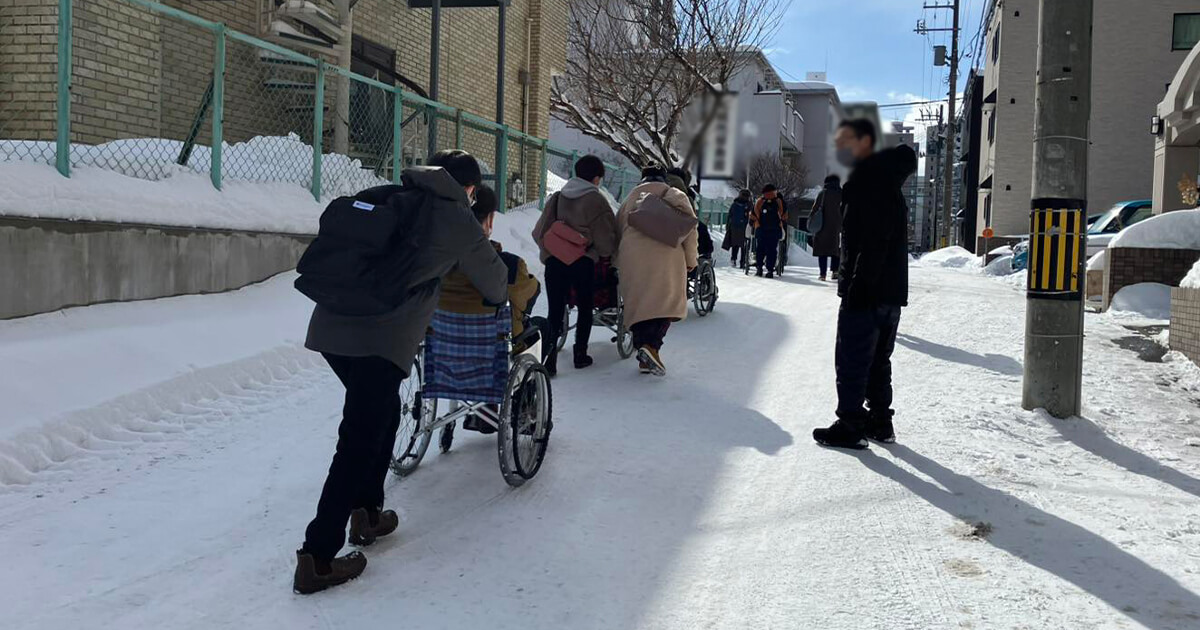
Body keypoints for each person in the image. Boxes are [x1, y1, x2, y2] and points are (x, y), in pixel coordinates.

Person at [294, 150, 508, 593]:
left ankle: (368, 512)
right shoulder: (456, 218)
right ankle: (317, 557)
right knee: (358, 438)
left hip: (331, 326)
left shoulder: (386, 194)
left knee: (383, 413)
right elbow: (495, 284)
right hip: (380, 339)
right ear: (469, 189)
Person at [812, 119, 918, 450]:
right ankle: (880, 421)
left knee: (853, 358)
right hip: (891, 294)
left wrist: (858, 286)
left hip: (866, 291)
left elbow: (871, 242)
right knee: (878, 361)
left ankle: (850, 424)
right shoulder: (893, 191)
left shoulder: (868, 185)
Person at [439, 184, 541, 434]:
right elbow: (528, 294)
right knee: (538, 331)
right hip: (490, 348)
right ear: (490, 220)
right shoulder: (508, 265)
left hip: (442, 347)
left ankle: (483, 412)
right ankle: (525, 408)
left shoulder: (435, 263)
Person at [532, 155, 620, 375]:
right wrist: (601, 254)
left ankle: (549, 361)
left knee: (554, 312)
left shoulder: (558, 197)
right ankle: (580, 355)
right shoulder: (596, 200)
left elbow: (539, 231)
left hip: (555, 262)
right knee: (585, 308)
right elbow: (606, 240)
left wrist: (552, 251)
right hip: (583, 262)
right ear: (596, 178)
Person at [616, 165, 699, 377]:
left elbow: (618, 230)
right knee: (666, 305)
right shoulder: (675, 194)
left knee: (639, 303)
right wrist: (691, 260)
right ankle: (651, 347)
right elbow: (690, 230)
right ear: (663, 178)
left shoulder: (630, 198)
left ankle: (644, 351)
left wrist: (617, 261)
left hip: (632, 257)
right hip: (667, 258)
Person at [810, 174, 844, 282]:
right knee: (836, 249)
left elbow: (815, 209)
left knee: (822, 251)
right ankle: (835, 271)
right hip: (838, 227)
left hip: (822, 226)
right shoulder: (842, 194)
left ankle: (822, 274)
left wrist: (812, 218)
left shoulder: (822, 194)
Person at [750, 184, 787, 278]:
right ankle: (770, 270)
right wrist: (781, 223)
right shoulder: (779, 201)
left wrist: (754, 224)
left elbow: (753, 215)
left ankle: (759, 268)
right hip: (775, 230)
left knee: (760, 249)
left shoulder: (760, 201)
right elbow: (784, 215)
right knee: (772, 250)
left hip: (761, 229)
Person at [725, 190, 752, 268]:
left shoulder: (734, 204)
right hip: (745, 227)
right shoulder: (749, 205)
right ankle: (742, 262)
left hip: (734, 227)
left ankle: (733, 259)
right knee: (744, 245)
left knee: (735, 244)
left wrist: (728, 226)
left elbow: (730, 215)